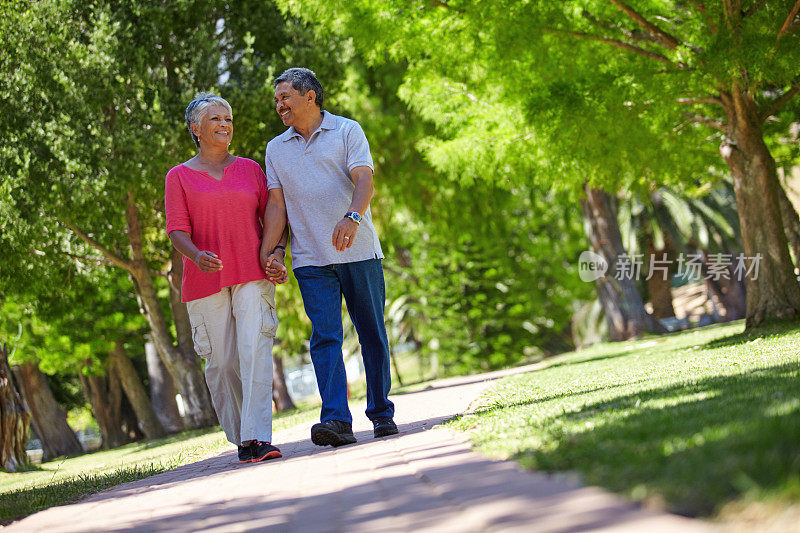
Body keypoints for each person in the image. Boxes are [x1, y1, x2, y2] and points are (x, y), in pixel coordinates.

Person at [260, 67, 397, 447]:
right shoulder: (276, 148)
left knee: (372, 333)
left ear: (310, 97)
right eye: (277, 100)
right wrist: (272, 251)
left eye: (285, 97)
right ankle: (336, 420)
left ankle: (381, 413)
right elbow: (276, 206)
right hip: (310, 259)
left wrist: (352, 217)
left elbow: (365, 180)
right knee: (324, 337)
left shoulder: (346, 130)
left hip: (359, 252)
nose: (279, 105)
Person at [165, 93, 288, 463]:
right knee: (221, 363)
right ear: (196, 129)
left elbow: (275, 219)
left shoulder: (251, 169)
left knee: (255, 349)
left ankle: (258, 437)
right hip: (205, 280)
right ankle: (242, 438)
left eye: (228, 119)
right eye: (215, 119)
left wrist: (277, 254)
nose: (224, 124)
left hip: (252, 272)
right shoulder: (179, 176)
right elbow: (176, 230)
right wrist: (196, 255)